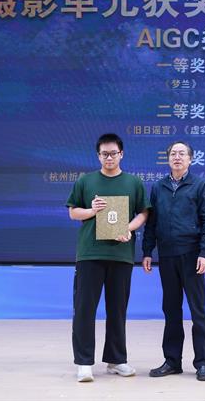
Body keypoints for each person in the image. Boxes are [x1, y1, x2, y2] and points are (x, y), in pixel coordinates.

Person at [66, 133, 150, 382]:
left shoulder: (133, 182)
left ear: (121, 154)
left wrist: (128, 228)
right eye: (104, 154)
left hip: (121, 254)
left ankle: (116, 359)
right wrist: (92, 210)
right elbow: (73, 212)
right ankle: (84, 363)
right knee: (84, 309)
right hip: (90, 253)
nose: (109, 157)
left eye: (113, 153)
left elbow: (143, 213)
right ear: (98, 155)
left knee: (117, 310)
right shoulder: (86, 181)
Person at [142, 141, 205, 382]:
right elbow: (151, 223)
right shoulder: (158, 187)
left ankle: (202, 363)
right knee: (171, 310)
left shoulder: (200, 185)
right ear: (167, 159)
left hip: (192, 255)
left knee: (197, 310)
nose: (177, 157)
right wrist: (147, 251)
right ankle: (172, 361)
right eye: (173, 154)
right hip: (167, 256)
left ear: (190, 159)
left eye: (181, 154)